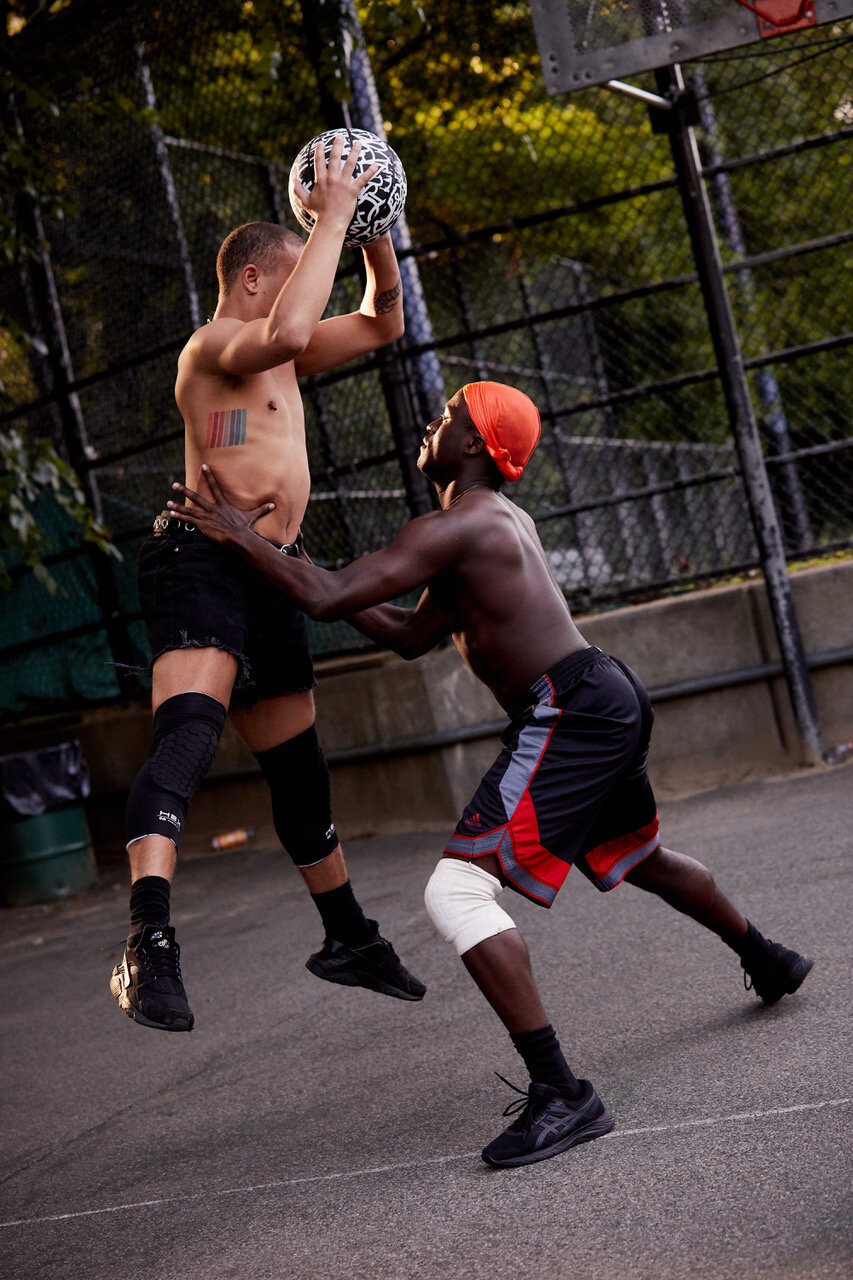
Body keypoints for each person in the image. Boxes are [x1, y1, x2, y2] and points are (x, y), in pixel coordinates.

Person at [166, 380, 814, 1166]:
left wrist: (241, 537)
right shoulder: (487, 523)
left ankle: (561, 1093)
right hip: (599, 696)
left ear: (474, 444)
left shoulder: (461, 523)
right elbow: (409, 634)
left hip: (569, 708)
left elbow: (330, 598)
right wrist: (291, 562)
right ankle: (765, 956)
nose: (429, 419)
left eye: (447, 415)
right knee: (636, 855)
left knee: (456, 889)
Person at [111, 134, 425, 1035]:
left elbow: (382, 322)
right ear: (255, 280)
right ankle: (149, 941)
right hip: (200, 558)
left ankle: (347, 936)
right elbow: (290, 326)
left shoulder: (274, 360)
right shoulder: (214, 349)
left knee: (298, 770)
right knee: (188, 739)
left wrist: (372, 221)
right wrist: (328, 215)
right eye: (301, 274)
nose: (308, 296)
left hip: (266, 569)